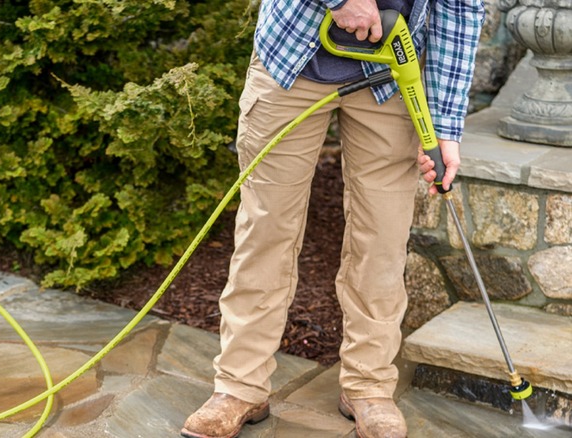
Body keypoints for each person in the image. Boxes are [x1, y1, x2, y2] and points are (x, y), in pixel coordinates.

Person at [180, 0, 484, 437]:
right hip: (293, 59)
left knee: (383, 237)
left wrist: (445, 126)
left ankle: (368, 387)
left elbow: (461, 8)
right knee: (266, 230)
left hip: (390, 72)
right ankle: (240, 386)